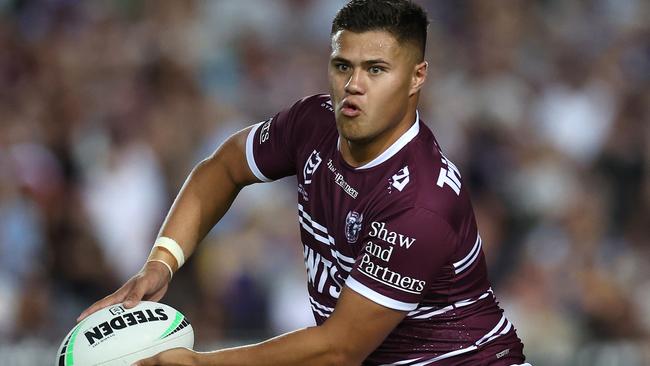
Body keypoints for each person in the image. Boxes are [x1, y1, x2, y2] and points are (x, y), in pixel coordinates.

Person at [78, 1, 530, 365]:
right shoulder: (313, 121)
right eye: (342, 65)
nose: (353, 85)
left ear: (417, 77)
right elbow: (222, 168)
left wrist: (202, 364)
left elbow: (339, 349)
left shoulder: (421, 202)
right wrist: (161, 263)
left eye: (376, 69)